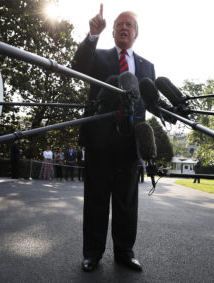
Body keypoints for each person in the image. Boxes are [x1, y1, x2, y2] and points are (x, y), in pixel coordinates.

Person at [72, 4, 155, 272]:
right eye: (119, 23)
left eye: (129, 24)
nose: (123, 27)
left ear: (136, 34)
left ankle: (125, 252)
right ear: (113, 31)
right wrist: (91, 35)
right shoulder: (99, 57)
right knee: (96, 199)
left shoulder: (147, 66)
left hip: (130, 144)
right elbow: (79, 65)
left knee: (126, 201)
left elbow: (150, 101)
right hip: (99, 139)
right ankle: (92, 254)